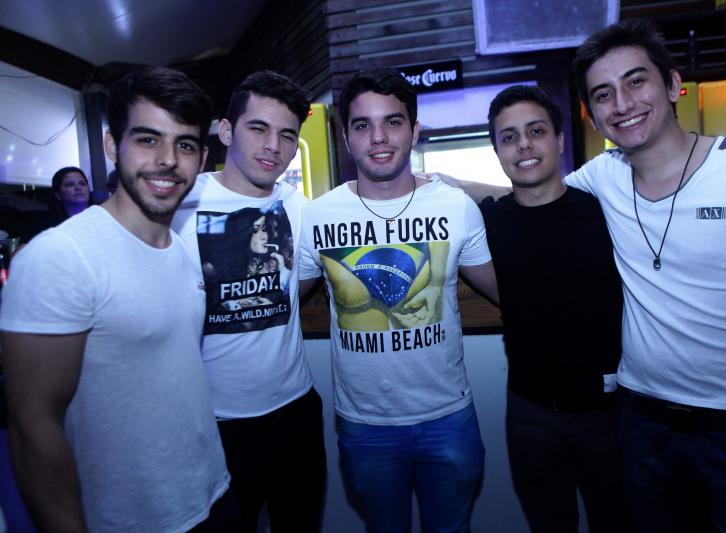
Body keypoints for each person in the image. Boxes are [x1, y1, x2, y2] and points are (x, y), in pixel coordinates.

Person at [566, 19, 726, 532]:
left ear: (673, 85)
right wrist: (430, 184)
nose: (622, 103)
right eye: (603, 94)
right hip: (642, 423)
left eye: (636, 81)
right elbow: (528, 195)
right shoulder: (601, 176)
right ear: (592, 114)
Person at [0, 67, 233, 532]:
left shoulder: (181, 247)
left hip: (211, 495)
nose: (168, 160)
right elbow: (32, 426)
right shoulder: (61, 256)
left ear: (202, 158)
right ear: (112, 145)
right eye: (148, 139)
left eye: (185, 145)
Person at [298, 68, 499, 533]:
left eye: (392, 121)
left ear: (414, 129)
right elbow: (283, 302)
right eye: (362, 124)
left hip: (448, 417)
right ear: (346, 136)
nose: (378, 137)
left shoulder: (455, 207)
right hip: (365, 424)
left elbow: (505, 291)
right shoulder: (317, 215)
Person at [171, 69, 326, 533]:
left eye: (286, 135)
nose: (272, 146)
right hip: (214, 423)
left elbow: (301, 282)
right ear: (225, 131)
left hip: (296, 412)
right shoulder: (180, 205)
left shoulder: (300, 207)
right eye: (258, 128)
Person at [481, 84, 630, 532]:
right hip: (530, 413)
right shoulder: (488, 222)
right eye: (509, 137)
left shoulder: (606, 212)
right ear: (497, 152)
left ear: (560, 140)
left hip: (612, 412)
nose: (524, 145)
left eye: (536, 131)